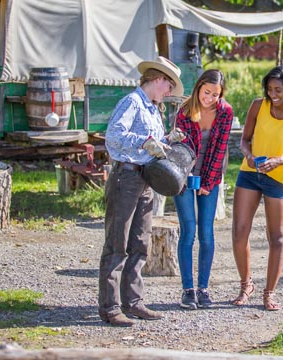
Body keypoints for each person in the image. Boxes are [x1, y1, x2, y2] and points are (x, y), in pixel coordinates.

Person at [98, 56, 185, 327]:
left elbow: (150, 144)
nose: (169, 92)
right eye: (169, 86)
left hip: (145, 179)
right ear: (158, 79)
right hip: (127, 177)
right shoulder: (132, 102)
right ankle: (111, 307)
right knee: (117, 243)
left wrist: (167, 140)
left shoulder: (152, 108)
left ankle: (133, 302)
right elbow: (113, 135)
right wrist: (147, 142)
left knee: (140, 242)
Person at [231, 65, 283, 311]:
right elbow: (244, 140)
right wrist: (247, 154)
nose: (273, 94)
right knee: (239, 232)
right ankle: (246, 285)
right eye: (269, 89)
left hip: (279, 179)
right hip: (250, 175)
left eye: (278, 89)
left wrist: (279, 161)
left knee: (277, 237)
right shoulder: (259, 106)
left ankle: (269, 293)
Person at [173, 69, 234, 310]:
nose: (209, 98)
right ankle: (188, 290)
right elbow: (180, 149)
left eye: (215, 94)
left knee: (206, 233)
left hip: (210, 176)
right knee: (188, 230)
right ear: (198, 87)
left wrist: (207, 183)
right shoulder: (185, 111)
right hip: (184, 176)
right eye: (206, 92)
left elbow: (219, 150)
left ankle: (204, 288)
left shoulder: (225, 112)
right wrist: (188, 178)